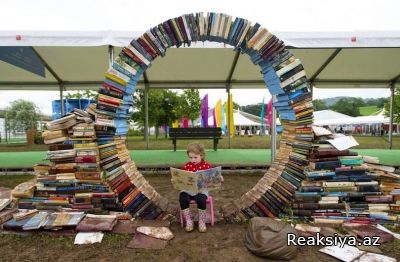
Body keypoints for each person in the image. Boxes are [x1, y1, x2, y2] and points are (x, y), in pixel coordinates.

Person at [180, 142, 223, 233]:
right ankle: (189, 221)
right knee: (182, 198)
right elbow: (181, 178)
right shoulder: (187, 166)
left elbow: (214, 177)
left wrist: (219, 177)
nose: (193, 160)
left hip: (201, 191)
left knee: (201, 199)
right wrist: (176, 179)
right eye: (191, 157)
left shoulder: (206, 166)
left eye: (195, 157)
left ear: (202, 155)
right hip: (188, 190)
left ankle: (201, 221)